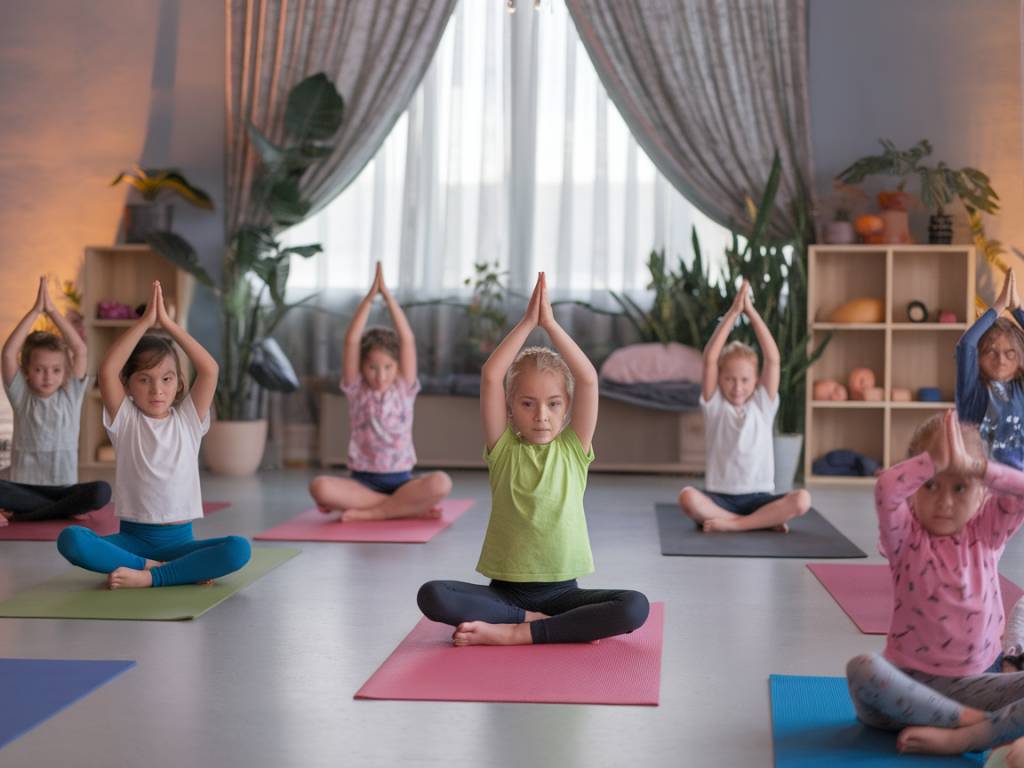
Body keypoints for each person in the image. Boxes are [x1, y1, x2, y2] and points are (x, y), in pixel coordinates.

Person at [416, 272, 649, 645]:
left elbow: (587, 379)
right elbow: (492, 375)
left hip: (564, 595)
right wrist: (527, 324)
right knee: (432, 594)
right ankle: (529, 621)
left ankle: (518, 633)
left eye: (553, 404)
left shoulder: (574, 449)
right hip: (506, 595)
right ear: (510, 409)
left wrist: (551, 325)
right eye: (527, 404)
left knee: (635, 606)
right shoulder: (503, 449)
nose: (541, 415)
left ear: (567, 408)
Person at [846, 410, 1024, 755]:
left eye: (960, 487)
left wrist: (978, 467)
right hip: (904, 693)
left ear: (982, 493)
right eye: (930, 484)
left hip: (977, 685)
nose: (944, 502)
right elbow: (885, 488)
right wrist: (932, 461)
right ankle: (970, 721)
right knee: (862, 668)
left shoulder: (986, 534)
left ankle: (968, 737)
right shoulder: (904, 537)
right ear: (914, 486)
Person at [56, 281, 250, 588]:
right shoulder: (126, 419)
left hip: (179, 544)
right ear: (129, 385)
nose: (157, 389)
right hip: (133, 542)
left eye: (166, 379)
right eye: (144, 379)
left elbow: (210, 369)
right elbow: (107, 370)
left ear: (178, 382)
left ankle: (148, 577)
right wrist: (144, 323)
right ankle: (157, 569)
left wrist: (170, 326)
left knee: (239, 548)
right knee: (71, 539)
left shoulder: (188, 419)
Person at [309, 262, 451, 521]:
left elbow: (406, 339)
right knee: (319, 487)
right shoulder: (356, 389)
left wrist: (388, 298)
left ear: (398, 367)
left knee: (441, 483)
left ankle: (377, 512)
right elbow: (352, 340)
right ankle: (402, 508)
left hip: (402, 481)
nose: (380, 375)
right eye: (372, 367)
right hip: (363, 484)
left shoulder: (404, 388)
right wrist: (368, 300)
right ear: (362, 367)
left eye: (387, 367)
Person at [677, 280, 810, 532]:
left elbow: (773, 359)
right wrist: (733, 313)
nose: (737, 387)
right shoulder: (714, 405)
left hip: (759, 498)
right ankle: (759, 523)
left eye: (745, 380)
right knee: (687, 497)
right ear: (720, 379)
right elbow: (709, 360)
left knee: (802, 499)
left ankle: (735, 524)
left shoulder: (763, 405)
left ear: (757, 380)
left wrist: (752, 313)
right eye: (729, 379)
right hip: (720, 497)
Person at [0, 276, 109, 525]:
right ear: (26, 371)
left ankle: (29, 515)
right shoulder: (22, 395)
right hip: (23, 487)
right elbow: (8, 353)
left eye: (56, 370)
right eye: (39, 369)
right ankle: (57, 511)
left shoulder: (70, 394)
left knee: (102, 491)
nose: (48, 376)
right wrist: (35, 311)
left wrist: (52, 311)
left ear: (65, 373)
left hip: (63, 487)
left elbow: (79, 350)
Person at [956, 268, 1024, 469]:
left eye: (1009, 353)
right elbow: (967, 344)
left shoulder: (1020, 389)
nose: (1001, 360)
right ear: (978, 358)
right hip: (980, 487)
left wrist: (1017, 309)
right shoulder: (972, 391)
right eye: (991, 352)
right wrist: (999, 305)